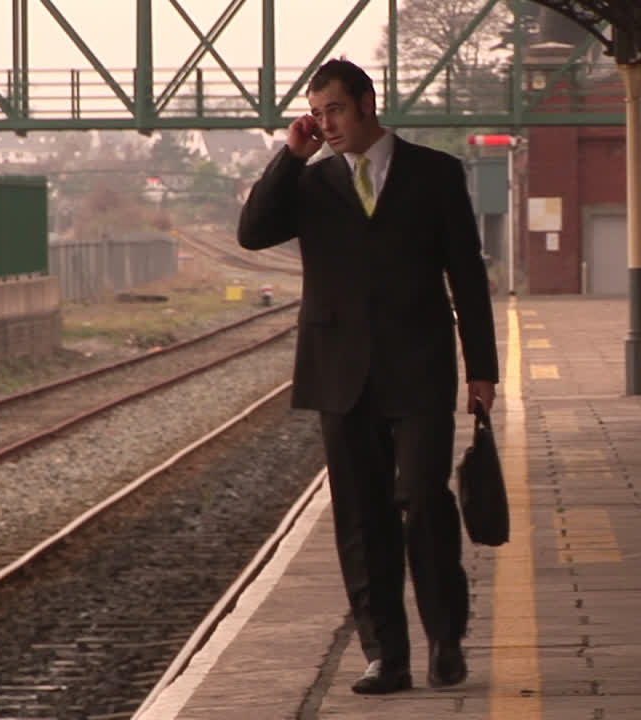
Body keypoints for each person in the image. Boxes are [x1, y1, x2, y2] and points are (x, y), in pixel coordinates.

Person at [236, 58, 499, 695]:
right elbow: (252, 233)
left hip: (420, 367)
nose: (325, 124)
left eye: (334, 110)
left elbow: (466, 273)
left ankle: (445, 640)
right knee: (361, 516)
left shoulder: (435, 174)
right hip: (339, 372)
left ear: (366, 104)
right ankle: (386, 654)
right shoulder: (310, 182)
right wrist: (289, 156)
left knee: (425, 501)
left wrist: (482, 369)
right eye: (315, 114)